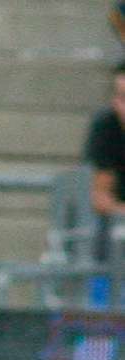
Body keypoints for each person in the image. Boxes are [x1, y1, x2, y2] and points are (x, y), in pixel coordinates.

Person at [83, 60, 125, 305]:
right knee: (108, 236)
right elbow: (100, 198)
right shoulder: (106, 127)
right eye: (120, 98)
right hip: (116, 220)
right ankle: (100, 319)